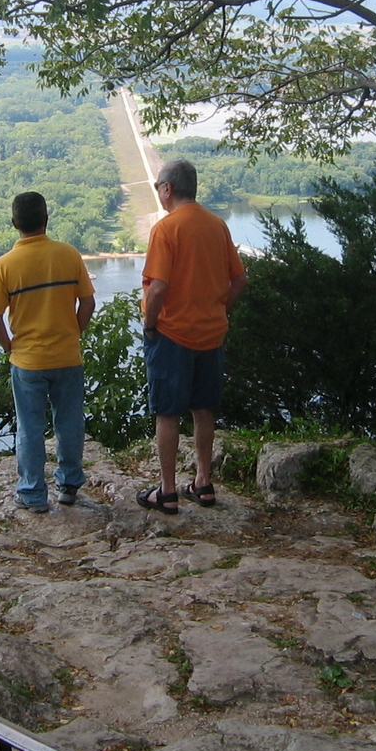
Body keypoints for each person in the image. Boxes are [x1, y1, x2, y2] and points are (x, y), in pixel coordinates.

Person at [137, 159, 247, 514]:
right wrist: (220, 309)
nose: (158, 191)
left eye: (158, 186)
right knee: (203, 409)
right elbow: (238, 279)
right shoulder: (217, 225)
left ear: (167, 188)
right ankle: (203, 482)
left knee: (167, 413)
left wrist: (150, 325)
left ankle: (167, 491)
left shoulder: (166, 229)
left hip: (172, 335)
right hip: (211, 333)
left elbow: (158, 289)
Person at [0, 191, 96, 513]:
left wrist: (10, 348)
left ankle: (33, 495)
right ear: (47, 220)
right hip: (67, 356)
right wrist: (74, 332)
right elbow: (88, 301)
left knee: (30, 429)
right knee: (70, 423)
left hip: (28, 361)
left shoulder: (5, 265)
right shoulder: (68, 254)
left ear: (14, 223)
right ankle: (69, 485)